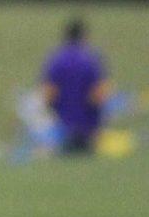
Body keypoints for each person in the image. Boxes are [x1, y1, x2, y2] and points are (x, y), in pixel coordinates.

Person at [40, 19, 109, 155]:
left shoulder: (56, 60)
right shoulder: (91, 60)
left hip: (62, 130)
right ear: (84, 36)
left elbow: (48, 94)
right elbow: (98, 95)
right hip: (87, 129)